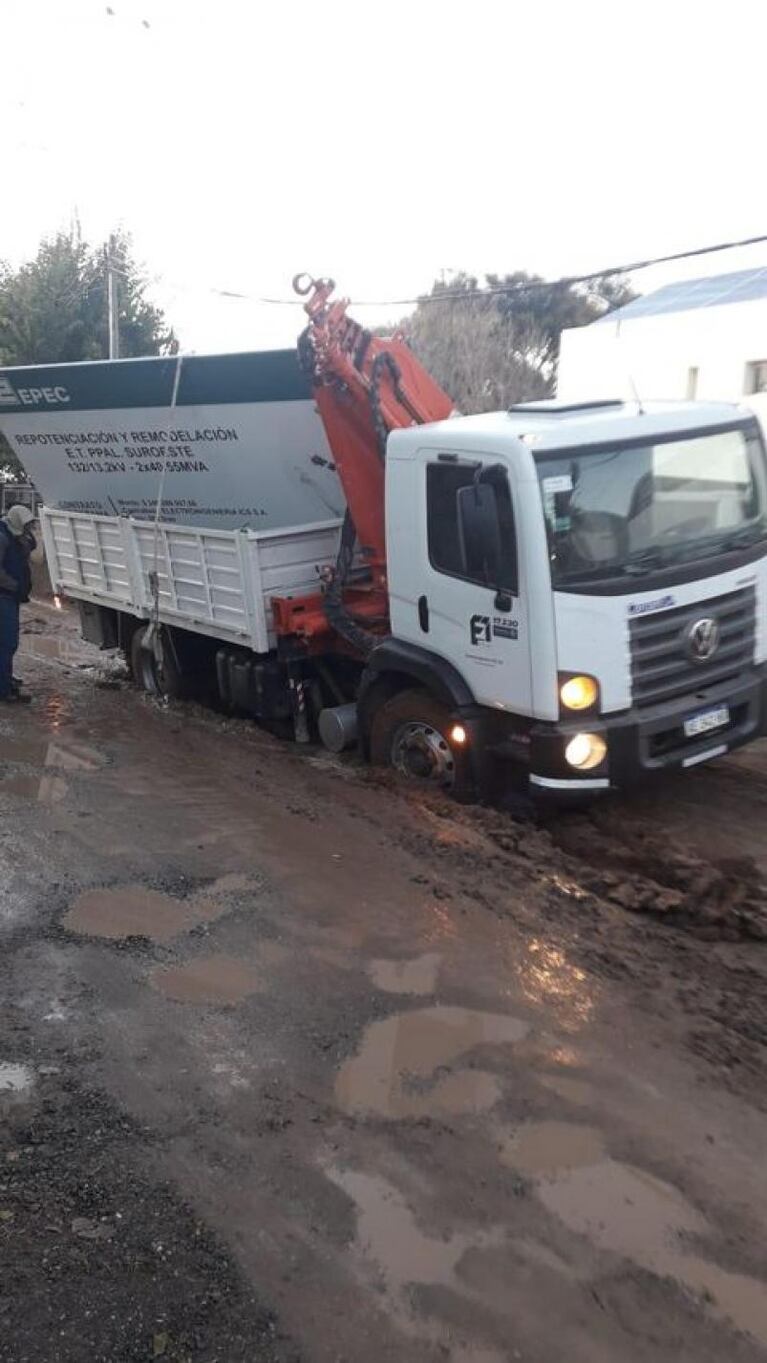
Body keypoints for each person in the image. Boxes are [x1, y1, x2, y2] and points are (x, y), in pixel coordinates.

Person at [0, 504, 37, 704]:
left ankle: (5, 680)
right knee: (6, 643)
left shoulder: (16, 536)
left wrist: (28, 536)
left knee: (8, 643)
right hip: (4, 596)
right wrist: (14, 585)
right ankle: (4, 690)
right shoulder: (2, 537)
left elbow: (33, 548)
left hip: (10, 597)